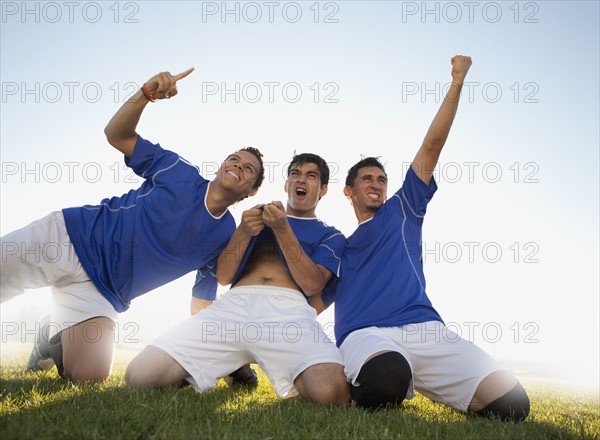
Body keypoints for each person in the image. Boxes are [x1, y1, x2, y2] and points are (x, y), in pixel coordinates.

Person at [0, 68, 265, 383]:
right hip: (71, 238)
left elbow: (201, 304)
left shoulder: (225, 237)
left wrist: (229, 359)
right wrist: (145, 94)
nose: (238, 165)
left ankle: (50, 333)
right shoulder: (178, 171)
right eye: (234, 158)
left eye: (248, 168)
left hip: (103, 294)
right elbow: (117, 135)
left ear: (252, 191)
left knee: (89, 377)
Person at [333, 56, 530, 421]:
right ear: (349, 192)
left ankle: (440, 383)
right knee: (386, 379)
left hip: (426, 329)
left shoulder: (403, 208)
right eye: (366, 179)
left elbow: (431, 146)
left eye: (381, 179)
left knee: (513, 404)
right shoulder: (336, 243)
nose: (376, 184)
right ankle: (362, 376)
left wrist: (457, 82)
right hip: (366, 334)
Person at [125, 153, 350, 405]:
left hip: (288, 312)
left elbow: (312, 283)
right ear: (287, 184)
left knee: (333, 394)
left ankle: (288, 370)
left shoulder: (331, 235)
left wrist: (283, 229)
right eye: (295, 174)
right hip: (233, 306)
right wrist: (243, 231)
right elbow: (223, 276)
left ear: (323, 190)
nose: (301, 180)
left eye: (311, 176)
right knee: (140, 376)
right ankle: (235, 369)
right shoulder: (256, 218)